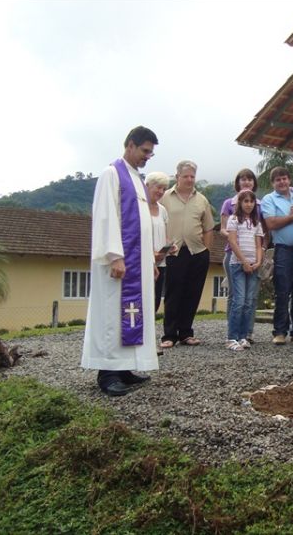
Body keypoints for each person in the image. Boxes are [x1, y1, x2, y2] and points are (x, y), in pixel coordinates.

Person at [81, 125, 159, 396]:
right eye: (145, 151)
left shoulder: (137, 179)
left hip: (137, 265)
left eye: (151, 153)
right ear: (130, 146)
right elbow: (106, 217)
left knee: (132, 316)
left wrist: (149, 260)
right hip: (119, 264)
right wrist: (115, 256)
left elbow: (142, 225)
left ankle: (125, 367)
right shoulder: (111, 174)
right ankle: (108, 373)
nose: (147, 156)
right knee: (114, 315)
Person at [159, 160, 215, 349]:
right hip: (174, 252)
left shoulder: (202, 200)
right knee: (173, 293)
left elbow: (208, 228)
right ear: (177, 177)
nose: (189, 179)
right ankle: (169, 335)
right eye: (186, 176)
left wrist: (206, 250)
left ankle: (186, 333)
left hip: (197, 251)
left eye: (192, 176)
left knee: (192, 293)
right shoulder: (165, 197)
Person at [261, 166, 293, 345]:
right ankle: (280, 331)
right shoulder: (269, 199)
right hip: (284, 250)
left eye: (284, 178)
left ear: (290, 180)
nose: (282, 182)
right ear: (273, 183)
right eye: (277, 180)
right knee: (282, 291)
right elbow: (271, 223)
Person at [220, 168, 264, 344]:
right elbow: (228, 235)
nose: (248, 204)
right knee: (237, 298)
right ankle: (233, 335)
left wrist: (259, 260)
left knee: (249, 299)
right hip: (236, 259)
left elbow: (259, 239)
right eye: (242, 179)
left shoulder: (257, 214)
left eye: (250, 179)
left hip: (254, 261)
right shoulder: (231, 212)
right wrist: (243, 259)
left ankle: (246, 334)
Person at [145, 172, 174, 314]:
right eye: (158, 187)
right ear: (147, 186)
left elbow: (165, 236)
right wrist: (150, 254)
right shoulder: (139, 208)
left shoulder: (162, 210)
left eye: (164, 189)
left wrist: (170, 247)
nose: (161, 192)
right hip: (143, 263)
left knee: (155, 302)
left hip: (161, 264)